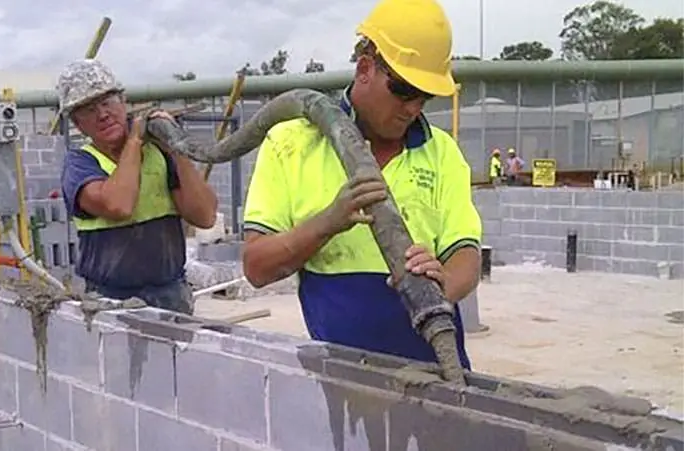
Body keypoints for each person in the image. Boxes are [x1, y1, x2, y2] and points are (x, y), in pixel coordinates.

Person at [241, 0, 482, 369]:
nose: (413, 108)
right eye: (403, 90)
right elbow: (257, 267)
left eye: (424, 96)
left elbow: (466, 253)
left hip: (436, 369)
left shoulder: (441, 151)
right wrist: (328, 222)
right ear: (366, 67)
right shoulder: (291, 144)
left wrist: (441, 283)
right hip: (343, 382)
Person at [56, 59, 218, 314]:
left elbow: (205, 216)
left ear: (123, 102)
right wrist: (134, 142)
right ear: (78, 124)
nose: (102, 114)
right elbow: (119, 206)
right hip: (108, 301)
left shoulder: (159, 154)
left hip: (171, 295)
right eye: (88, 110)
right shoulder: (80, 164)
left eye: (107, 102)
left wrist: (176, 148)